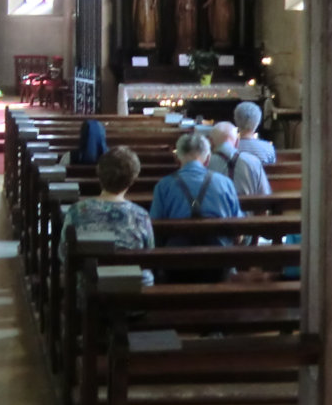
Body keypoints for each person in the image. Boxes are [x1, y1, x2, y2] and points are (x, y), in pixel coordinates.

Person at [150, 131, 243, 282]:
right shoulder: (224, 183)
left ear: (177, 157)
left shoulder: (164, 185)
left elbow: (155, 228)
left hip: (176, 263)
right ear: (208, 159)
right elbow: (238, 229)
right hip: (219, 262)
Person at [59, 145, 155, 285]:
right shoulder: (141, 215)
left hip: (89, 287)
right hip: (132, 290)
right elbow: (148, 256)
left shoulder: (77, 210)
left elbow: (63, 253)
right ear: (133, 179)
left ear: (99, 173)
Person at [207, 121, 271, 196]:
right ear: (237, 142)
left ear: (210, 142)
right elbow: (265, 194)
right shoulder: (254, 162)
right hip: (248, 207)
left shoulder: (204, 163)